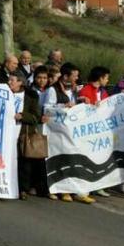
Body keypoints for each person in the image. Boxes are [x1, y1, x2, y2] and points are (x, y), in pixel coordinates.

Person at [44, 63, 92, 204]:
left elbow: (76, 108)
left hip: (71, 131)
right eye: (74, 75)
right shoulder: (53, 90)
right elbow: (47, 109)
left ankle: (76, 190)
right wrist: (63, 106)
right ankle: (61, 190)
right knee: (62, 159)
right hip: (57, 131)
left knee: (74, 159)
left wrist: (83, 102)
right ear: (65, 76)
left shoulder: (75, 90)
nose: (77, 78)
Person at [11, 72, 47, 199]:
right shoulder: (4, 93)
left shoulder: (31, 96)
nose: (9, 83)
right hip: (7, 133)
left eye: (12, 80)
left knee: (24, 163)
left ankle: (23, 189)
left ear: (20, 82)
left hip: (23, 133)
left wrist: (22, 116)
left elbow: (35, 117)